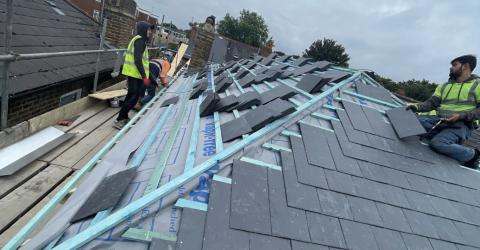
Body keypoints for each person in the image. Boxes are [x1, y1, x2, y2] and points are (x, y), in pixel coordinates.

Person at [407, 55, 480, 168]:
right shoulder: (444, 86)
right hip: (439, 121)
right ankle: (437, 134)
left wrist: (461, 116)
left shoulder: (478, 85)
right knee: (408, 120)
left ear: (465, 66)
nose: (451, 68)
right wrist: (416, 107)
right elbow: (431, 103)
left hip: (461, 126)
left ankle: (473, 155)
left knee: (437, 143)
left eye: (455, 65)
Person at [114, 21, 155, 129]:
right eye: (148, 30)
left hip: (134, 74)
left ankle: (124, 117)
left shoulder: (137, 40)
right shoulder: (140, 41)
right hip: (135, 74)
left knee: (130, 96)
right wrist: (144, 77)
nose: (150, 32)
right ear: (143, 29)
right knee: (133, 97)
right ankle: (120, 119)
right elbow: (137, 60)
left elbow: (141, 61)